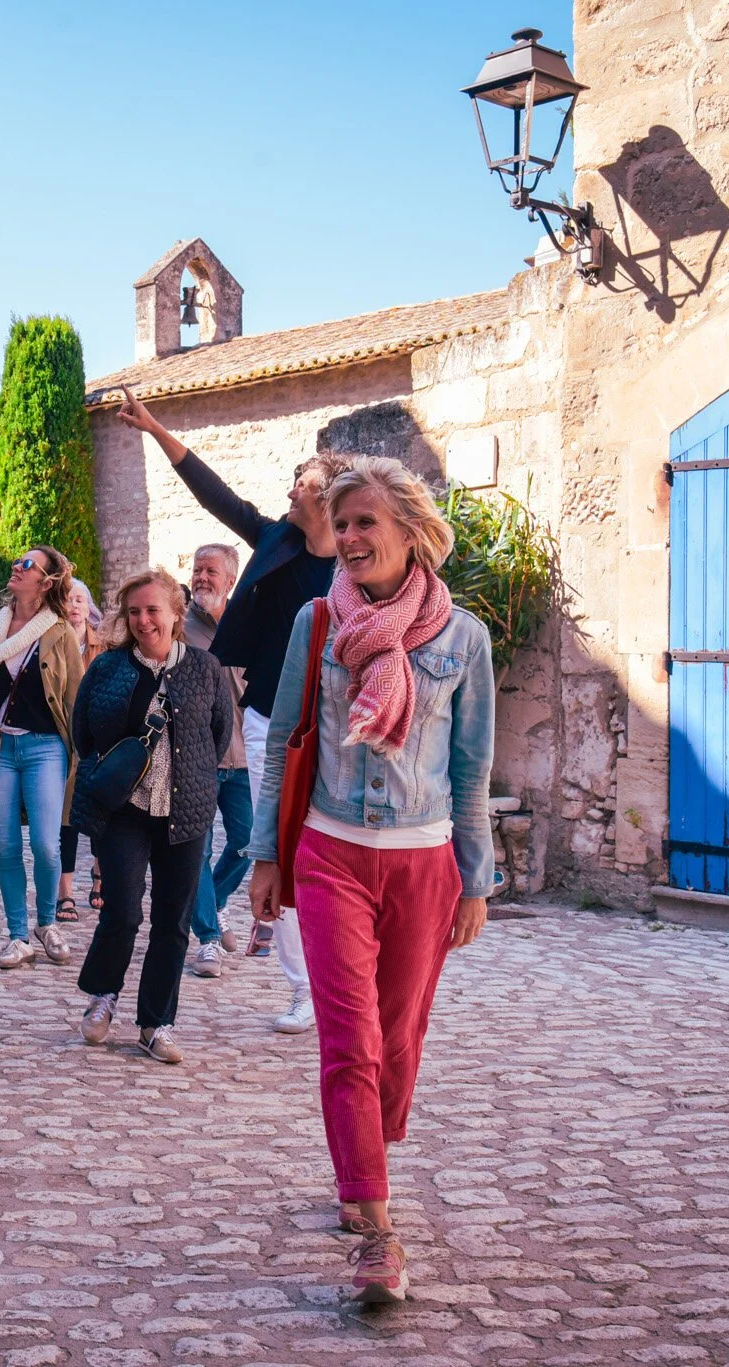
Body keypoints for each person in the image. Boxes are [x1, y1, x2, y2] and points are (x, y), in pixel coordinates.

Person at [247, 458, 494, 1303]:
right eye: (341, 522)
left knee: (398, 1042)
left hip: (425, 863)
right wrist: (267, 855)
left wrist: (476, 879)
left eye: (365, 522)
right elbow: (283, 741)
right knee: (350, 1040)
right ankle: (378, 1229)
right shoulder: (317, 621)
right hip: (331, 856)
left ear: (409, 531)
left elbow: (471, 768)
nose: (349, 537)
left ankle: (365, 1157)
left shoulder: (463, 638)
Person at [115, 386, 345, 1034]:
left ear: (328, 498)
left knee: (334, 852)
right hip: (272, 720)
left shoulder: (356, 562)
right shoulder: (276, 539)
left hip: (338, 725)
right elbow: (214, 494)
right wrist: (156, 428)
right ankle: (304, 990)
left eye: (302, 483)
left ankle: (346, 972)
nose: (291, 490)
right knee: (282, 850)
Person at [71, 569, 235, 1064]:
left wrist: (192, 778)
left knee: (174, 921)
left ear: (175, 614)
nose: (144, 621)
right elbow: (84, 734)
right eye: (134, 612)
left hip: (185, 812)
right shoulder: (108, 668)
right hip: (124, 810)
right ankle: (103, 995)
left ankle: (155, 1024)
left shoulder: (205, 668)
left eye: (153, 610)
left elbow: (218, 736)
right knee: (122, 911)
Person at [0, 545, 83, 969]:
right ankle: (17, 935)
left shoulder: (60, 632)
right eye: (17, 562)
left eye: (27, 564)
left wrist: (84, 758)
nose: (16, 567)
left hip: (45, 747)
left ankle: (47, 922)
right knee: (7, 846)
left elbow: (75, 700)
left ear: (46, 582)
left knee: (46, 844)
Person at [183, 543, 251, 976]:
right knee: (198, 850)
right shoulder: (179, 627)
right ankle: (207, 938)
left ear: (230, 580)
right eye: (197, 569)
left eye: (211, 571)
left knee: (249, 842)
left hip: (244, 756)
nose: (202, 578)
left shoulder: (250, 623)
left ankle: (217, 900)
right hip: (197, 759)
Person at [56, 576, 105, 922]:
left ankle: (100, 875)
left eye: (80, 600)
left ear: (88, 608)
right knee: (67, 818)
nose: (74, 605)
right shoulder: (52, 642)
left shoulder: (103, 646)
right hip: (63, 740)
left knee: (102, 814)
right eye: (68, 599)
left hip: (99, 741)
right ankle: (66, 892)